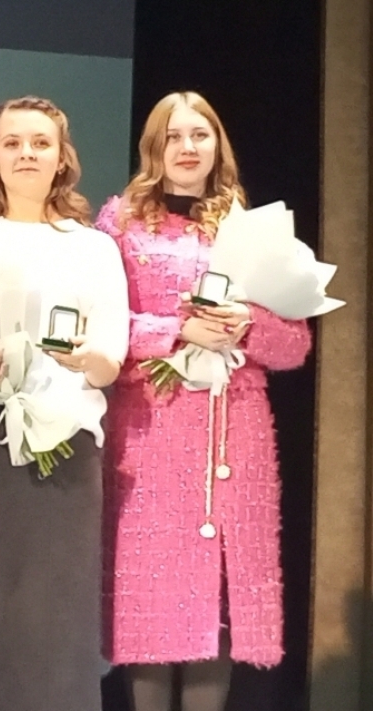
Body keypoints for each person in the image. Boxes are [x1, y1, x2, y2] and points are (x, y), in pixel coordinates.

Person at [96, 91, 312, 711]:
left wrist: (248, 324)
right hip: (149, 434)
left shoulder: (250, 228)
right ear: (153, 148)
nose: (187, 147)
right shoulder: (119, 225)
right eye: (174, 136)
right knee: (151, 602)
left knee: (214, 601)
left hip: (232, 436)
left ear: (219, 145)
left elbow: (295, 345)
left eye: (200, 135)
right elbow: (100, 322)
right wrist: (176, 330)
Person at [0, 96, 129, 711]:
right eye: (12, 143)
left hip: (65, 438)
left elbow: (110, 358)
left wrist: (84, 359)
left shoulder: (93, 247)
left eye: (40, 143)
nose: (26, 154)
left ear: (61, 157)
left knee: (55, 616)